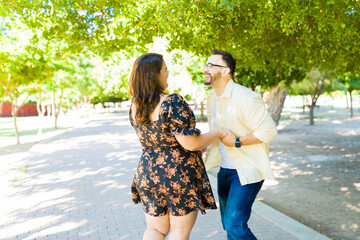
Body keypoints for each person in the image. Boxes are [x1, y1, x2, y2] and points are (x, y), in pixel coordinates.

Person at [128, 53, 227, 240]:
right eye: (165, 70)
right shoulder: (171, 102)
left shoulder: (135, 105)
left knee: (155, 230)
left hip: (148, 172)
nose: (168, 73)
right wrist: (219, 132)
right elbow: (190, 144)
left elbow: (163, 140)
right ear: (154, 75)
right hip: (176, 173)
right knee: (179, 232)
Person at [203, 49, 278, 240]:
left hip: (246, 169)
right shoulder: (212, 98)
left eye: (211, 65)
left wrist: (236, 142)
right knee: (228, 225)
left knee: (235, 225)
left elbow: (269, 131)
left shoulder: (246, 96)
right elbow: (218, 131)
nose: (206, 69)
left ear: (226, 71)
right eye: (206, 64)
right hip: (225, 170)